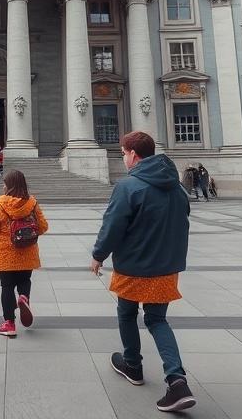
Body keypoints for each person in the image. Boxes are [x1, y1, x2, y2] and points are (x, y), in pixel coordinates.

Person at [91, 131, 195, 413]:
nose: (123, 158)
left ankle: (133, 366)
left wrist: (98, 255)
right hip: (166, 266)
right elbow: (182, 220)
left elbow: (113, 225)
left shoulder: (129, 186)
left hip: (134, 265)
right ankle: (177, 380)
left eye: (123, 153)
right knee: (157, 320)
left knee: (126, 313)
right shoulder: (175, 187)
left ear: (133, 154)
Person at [0, 169, 49, 337]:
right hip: (27, 252)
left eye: (4, 183)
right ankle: (23, 297)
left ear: (9, 186)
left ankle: (9, 324)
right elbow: (44, 227)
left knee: (7, 287)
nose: (3, 186)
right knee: (25, 280)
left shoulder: (0, 204)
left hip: (6, 254)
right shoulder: (32, 203)